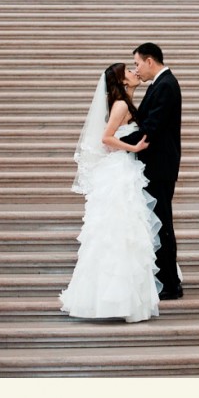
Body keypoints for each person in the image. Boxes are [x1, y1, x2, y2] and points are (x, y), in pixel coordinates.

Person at [59, 63, 162, 322]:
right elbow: (106, 138)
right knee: (120, 231)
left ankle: (118, 299)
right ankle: (118, 299)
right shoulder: (121, 105)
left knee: (122, 232)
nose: (134, 72)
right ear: (122, 80)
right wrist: (134, 148)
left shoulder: (124, 102)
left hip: (121, 169)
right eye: (128, 71)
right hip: (119, 171)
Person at [121, 43, 183, 300]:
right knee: (157, 224)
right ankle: (166, 279)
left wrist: (119, 145)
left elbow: (151, 127)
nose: (136, 69)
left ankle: (170, 283)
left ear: (149, 61)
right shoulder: (161, 84)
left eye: (136, 63)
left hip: (159, 168)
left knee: (162, 225)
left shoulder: (166, 85)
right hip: (156, 166)